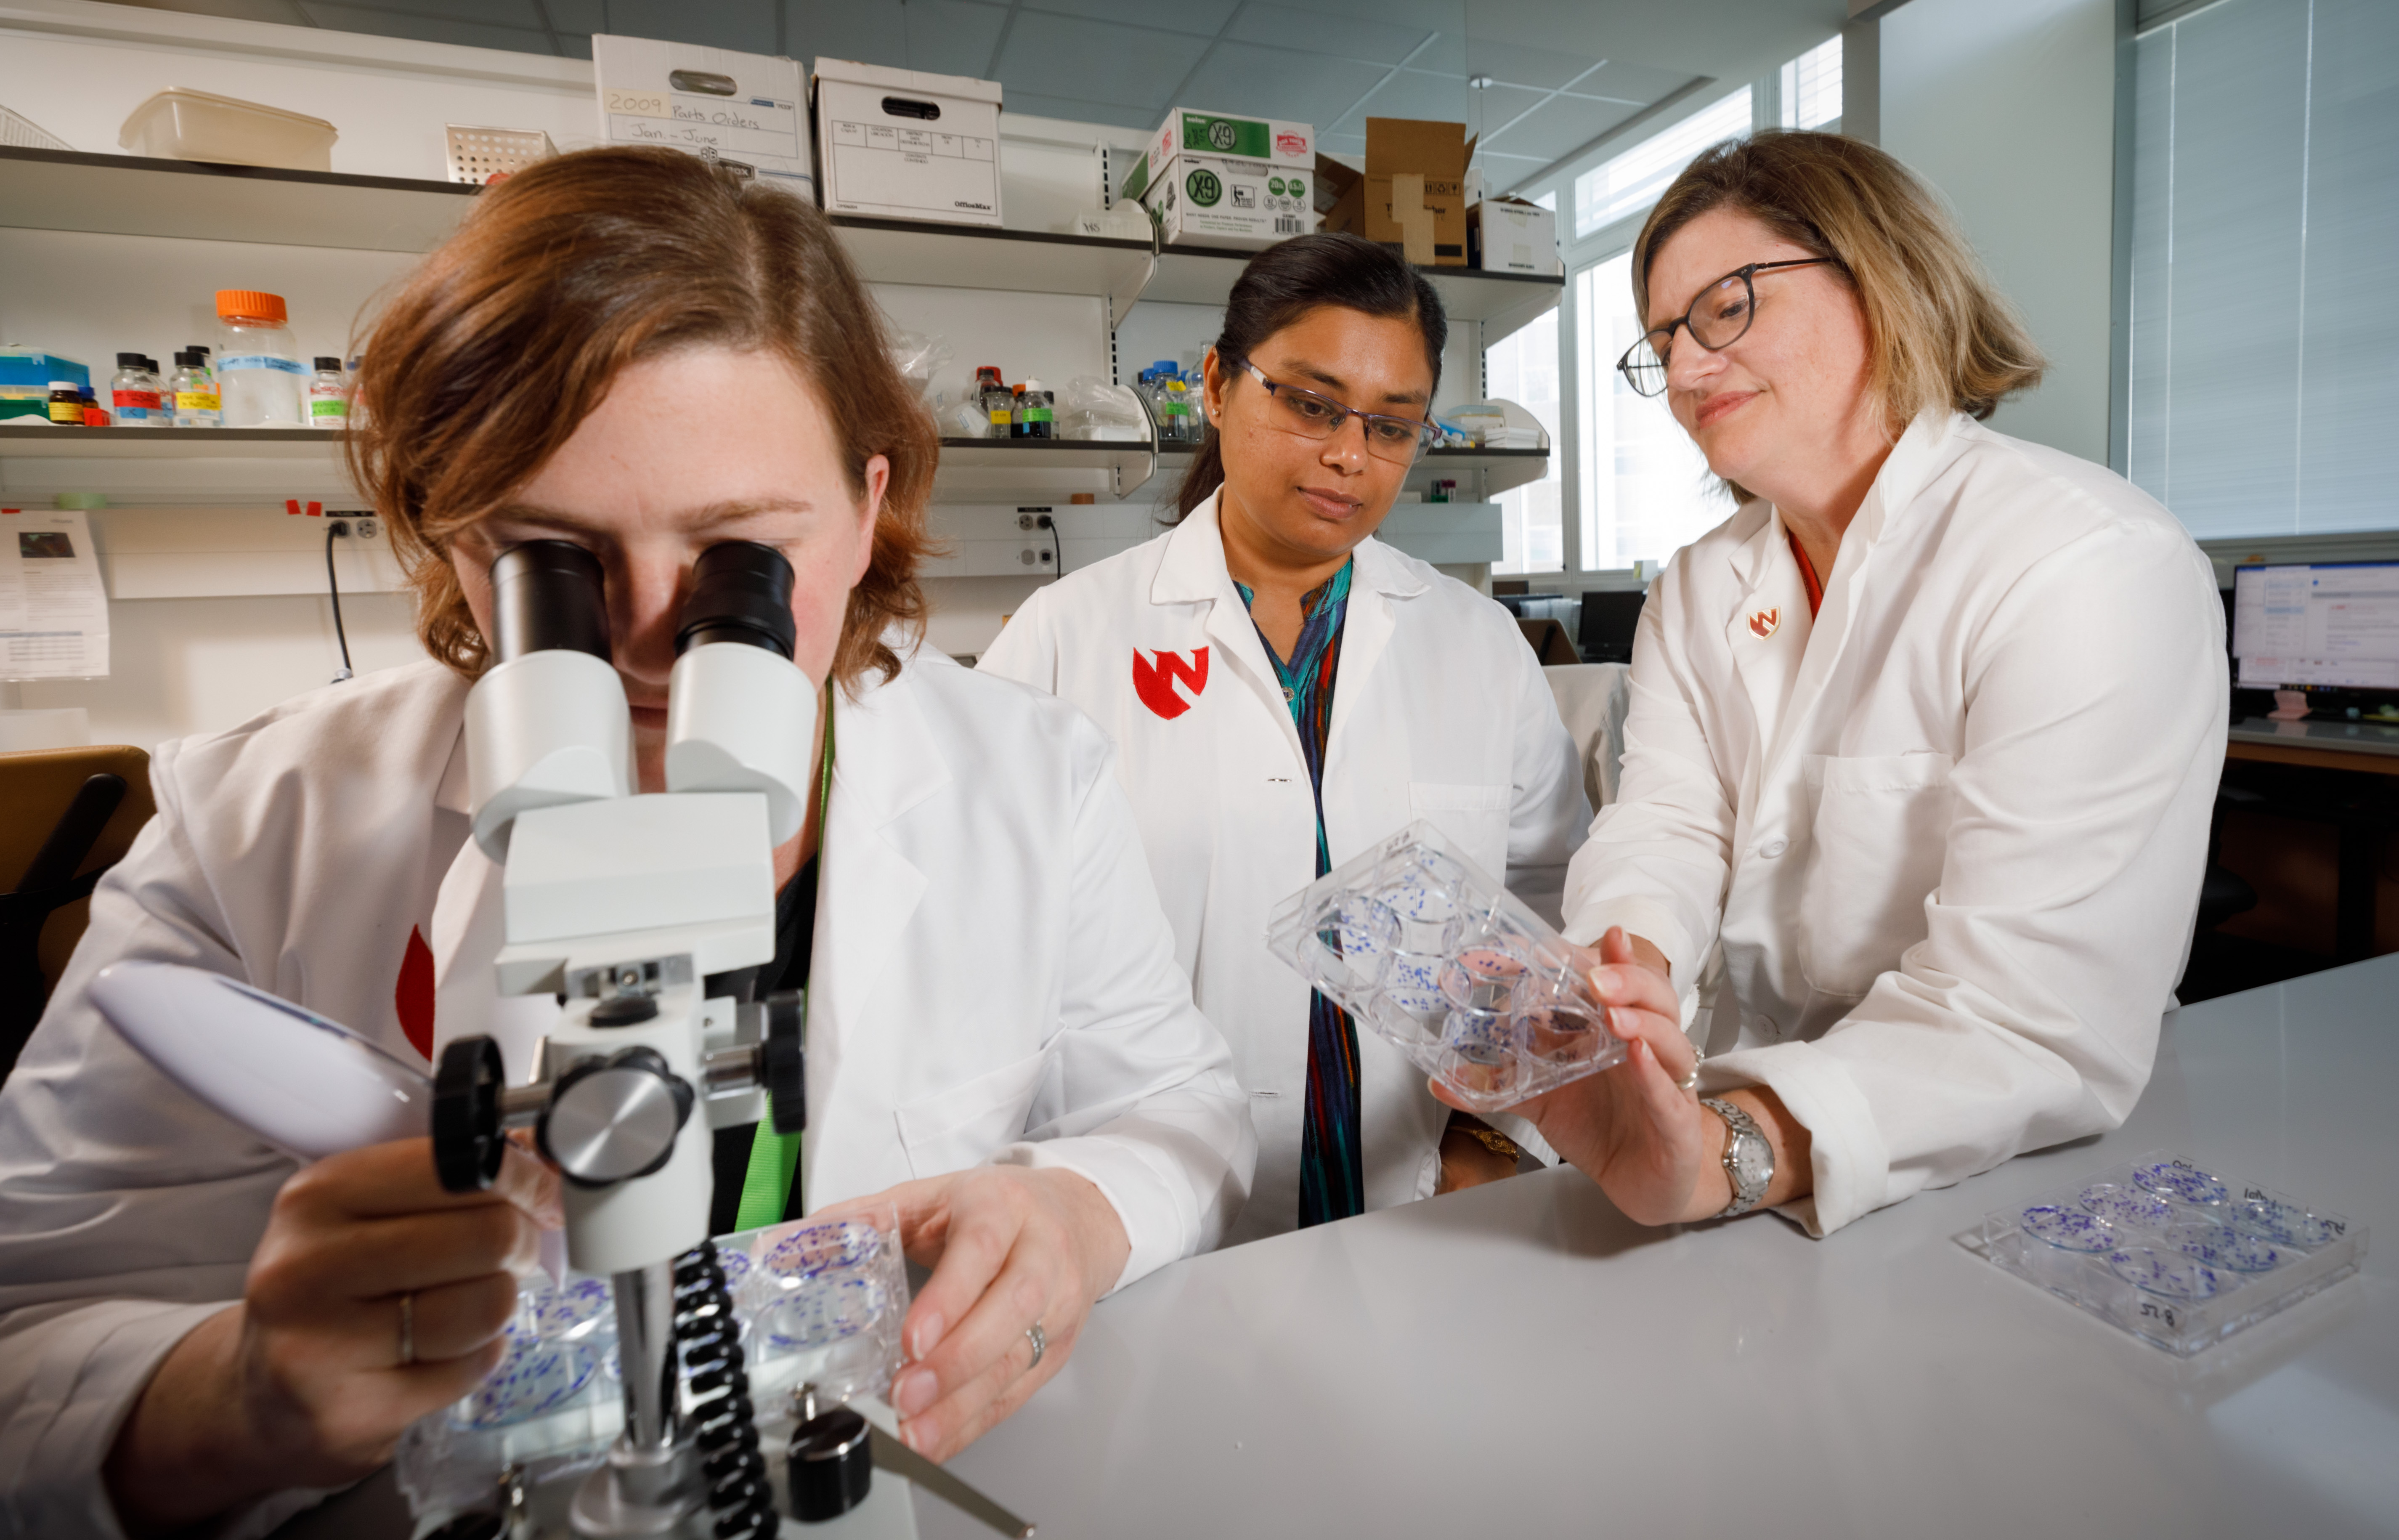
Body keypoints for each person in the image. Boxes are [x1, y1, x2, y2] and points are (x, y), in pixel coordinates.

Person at [0, 147, 1254, 1537]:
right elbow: (26, 1331)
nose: (653, 639)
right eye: (551, 555)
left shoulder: (1026, 775)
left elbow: (1178, 1115)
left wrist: (1079, 1212)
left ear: (866, 506)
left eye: (740, 560)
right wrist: (234, 1399)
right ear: (451, 529)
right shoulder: (264, 818)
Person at [1492, 131, 2225, 1235]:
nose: (1686, 370)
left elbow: (2027, 1017)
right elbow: (1667, 827)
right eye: (1662, 339)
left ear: (1883, 279)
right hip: (1734, 1135)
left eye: (1728, 305)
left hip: (1997, 1163)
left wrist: (1727, 1151)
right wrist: (1616, 981)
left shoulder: (2079, 561)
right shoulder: (1698, 585)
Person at [979, 233, 1588, 1243]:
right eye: (1309, 404)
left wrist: (1496, 1131)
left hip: (1415, 1200)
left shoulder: (1476, 646)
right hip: (1144, 1217)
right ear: (1218, 386)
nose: (1349, 454)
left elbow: (1543, 908)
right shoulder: (1063, 638)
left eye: (1392, 426)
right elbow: (985, 951)